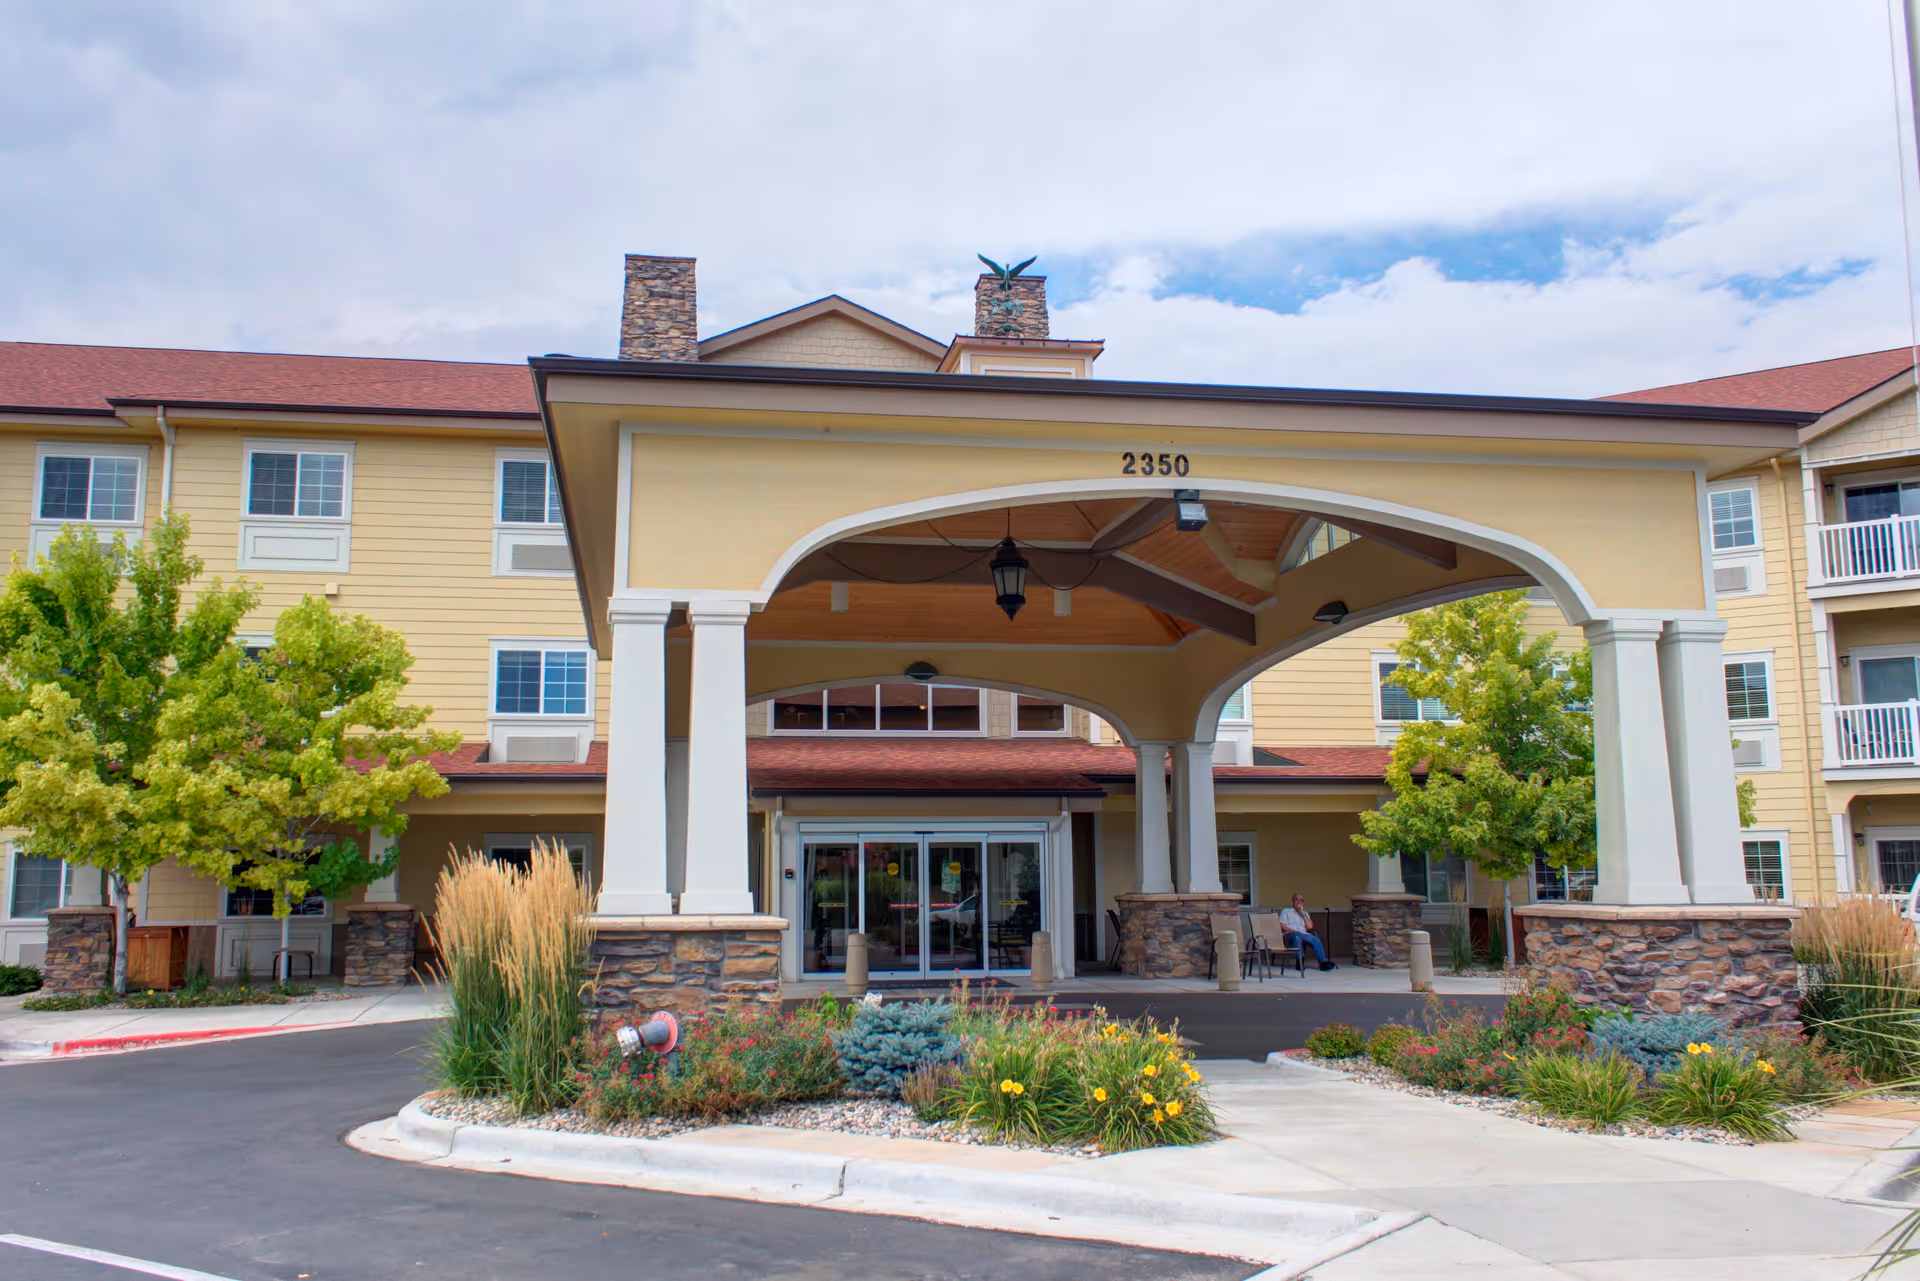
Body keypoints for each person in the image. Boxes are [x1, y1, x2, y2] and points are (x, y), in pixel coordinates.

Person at [1279, 893, 1337, 971]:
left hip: (1304, 934)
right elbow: (1283, 926)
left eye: (1301, 900)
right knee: (1297, 935)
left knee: (1316, 939)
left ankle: (1323, 963)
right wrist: (1296, 932)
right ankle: (1300, 962)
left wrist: (1302, 914)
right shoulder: (1286, 911)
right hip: (1290, 934)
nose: (1299, 902)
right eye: (1297, 899)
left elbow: (1309, 927)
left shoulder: (1305, 913)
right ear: (1293, 900)